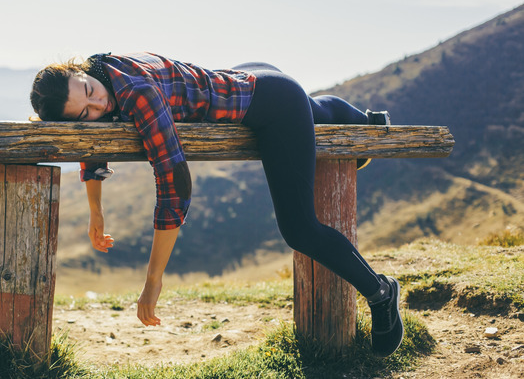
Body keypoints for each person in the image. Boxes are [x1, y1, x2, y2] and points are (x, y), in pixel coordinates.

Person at [30, 52, 402, 357]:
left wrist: (153, 279)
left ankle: (382, 293)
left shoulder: (137, 94)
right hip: (249, 76)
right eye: (86, 112)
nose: (99, 103)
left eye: (90, 91)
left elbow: (174, 182)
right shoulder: (99, 68)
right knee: (311, 110)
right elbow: (96, 141)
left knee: (300, 229)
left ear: (76, 71)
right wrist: (96, 209)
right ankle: (364, 120)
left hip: (272, 103)